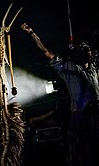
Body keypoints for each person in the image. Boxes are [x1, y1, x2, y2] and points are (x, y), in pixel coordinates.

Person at [21, 23, 99, 166]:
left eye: (88, 48)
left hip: (96, 115)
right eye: (83, 47)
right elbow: (46, 51)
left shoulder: (93, 68)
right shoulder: (69, 66)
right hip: (80, 116)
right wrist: (32, 32)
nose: (87, 50)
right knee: (81, 154)